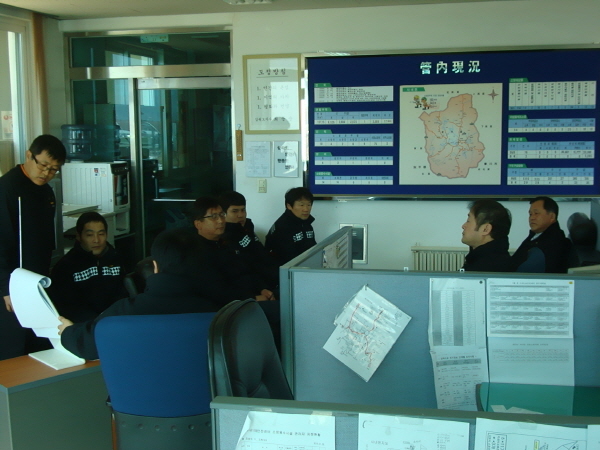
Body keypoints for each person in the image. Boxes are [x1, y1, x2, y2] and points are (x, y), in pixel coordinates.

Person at [58, 228, 219, 360]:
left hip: (136, 391)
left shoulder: (125, 312)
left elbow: (85, 346)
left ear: (155, 267)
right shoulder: (219, 313)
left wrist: (68, 332)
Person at [0, 135, 66, 361]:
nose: (46, 173)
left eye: (53, 169)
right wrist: (5, 289)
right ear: (29, 155)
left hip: (38, 278)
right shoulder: (7, 189)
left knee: (38, 341)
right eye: (43, 165)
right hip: (11, 282)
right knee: (14, 345)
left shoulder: (46, 191)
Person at [191, 196, 276, 304]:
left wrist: (262, 288)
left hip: (250, 295)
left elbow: (245, 271)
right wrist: (253, 298)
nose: (221, 221)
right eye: (213, 217)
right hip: (231, 305)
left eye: (222, 215)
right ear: (198, 224)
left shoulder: (225, 244)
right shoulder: (197, 252)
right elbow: (217, 291)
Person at [49, 212, 128, 322]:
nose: (96, 240)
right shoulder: (66, 266)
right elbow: (67, 307)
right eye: (90, 235)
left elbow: (123, 295)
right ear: (79, 236)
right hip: (85, 326)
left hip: (116, 320)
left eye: (101, 234)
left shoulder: (116, 258)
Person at [218, 190, 279, 290]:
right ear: (223, 214)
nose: (241, 215)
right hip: (254, 287)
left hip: (271, 278)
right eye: (235, 211)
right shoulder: (223, 237)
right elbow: (240, 272)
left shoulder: (247, 226)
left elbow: (261, 254)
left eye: (243, 210)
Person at [511, 196, 572, 273]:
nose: (532, 218)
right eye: (530, 214)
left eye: (536, 213)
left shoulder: (555, 243)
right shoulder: (535, 237)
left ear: (552, 216)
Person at [265, 187, 316, 266]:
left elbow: (312, 247)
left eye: (309, 205)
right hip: (285, 269)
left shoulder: (306, 223)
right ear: (289, 206)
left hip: (304, 266)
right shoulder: (282, 227)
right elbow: (287, 258)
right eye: (301, 205)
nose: (306, 209)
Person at [460, 199, 512, 272]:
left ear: (485, 229)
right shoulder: (482, 259)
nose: (463, 226)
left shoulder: (486, 268)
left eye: (468, 221)